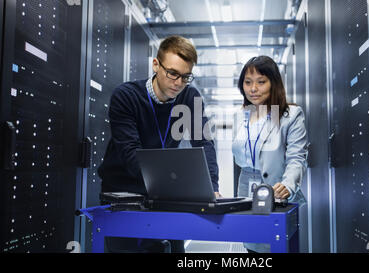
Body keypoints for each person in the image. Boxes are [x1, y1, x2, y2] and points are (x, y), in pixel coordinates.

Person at [98, 35, 220, 253]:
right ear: (156, 64)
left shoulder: (190, 97)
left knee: (174, 250)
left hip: (163, 193)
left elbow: (204, 142)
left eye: (185, 77)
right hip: (125, 191)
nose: (178, 83)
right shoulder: (126, 96)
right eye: (172, 73)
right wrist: (171, 185)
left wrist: (211, 188)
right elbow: (130, 154)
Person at [232, 55, 308, 253]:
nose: (253, 89)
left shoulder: (291, 115)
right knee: (253, 250)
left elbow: (297, 158)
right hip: (247, 196)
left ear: (273, 83)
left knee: (279, 247)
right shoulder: (240, 116)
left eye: (261, 82)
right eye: (247, 83)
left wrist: (288, 185)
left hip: (279, 194)